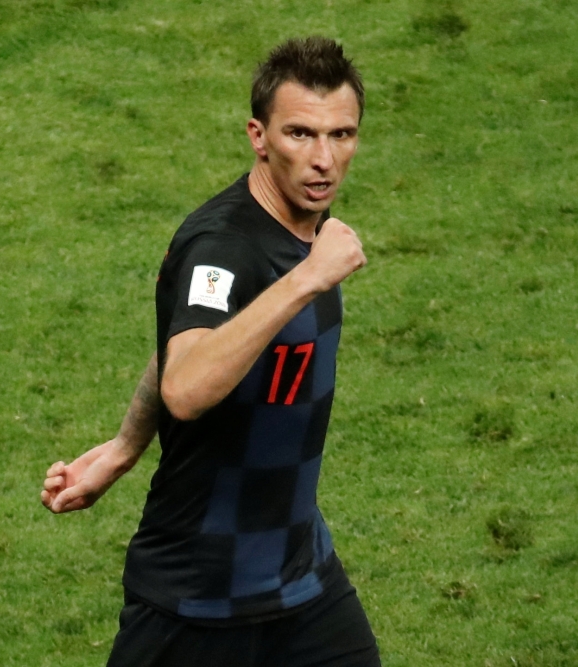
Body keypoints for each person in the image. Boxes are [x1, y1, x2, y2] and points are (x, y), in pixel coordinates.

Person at [41, 36, 379, 667]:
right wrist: (307, 277)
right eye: (301, 134)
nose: (324, 159)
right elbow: (187, 386)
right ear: (259, 136)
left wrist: (123, 447)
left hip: (300, 579)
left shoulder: (306, 231)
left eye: (343, 134)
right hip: (197, 595)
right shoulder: (223, 249)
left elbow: (182, 343)